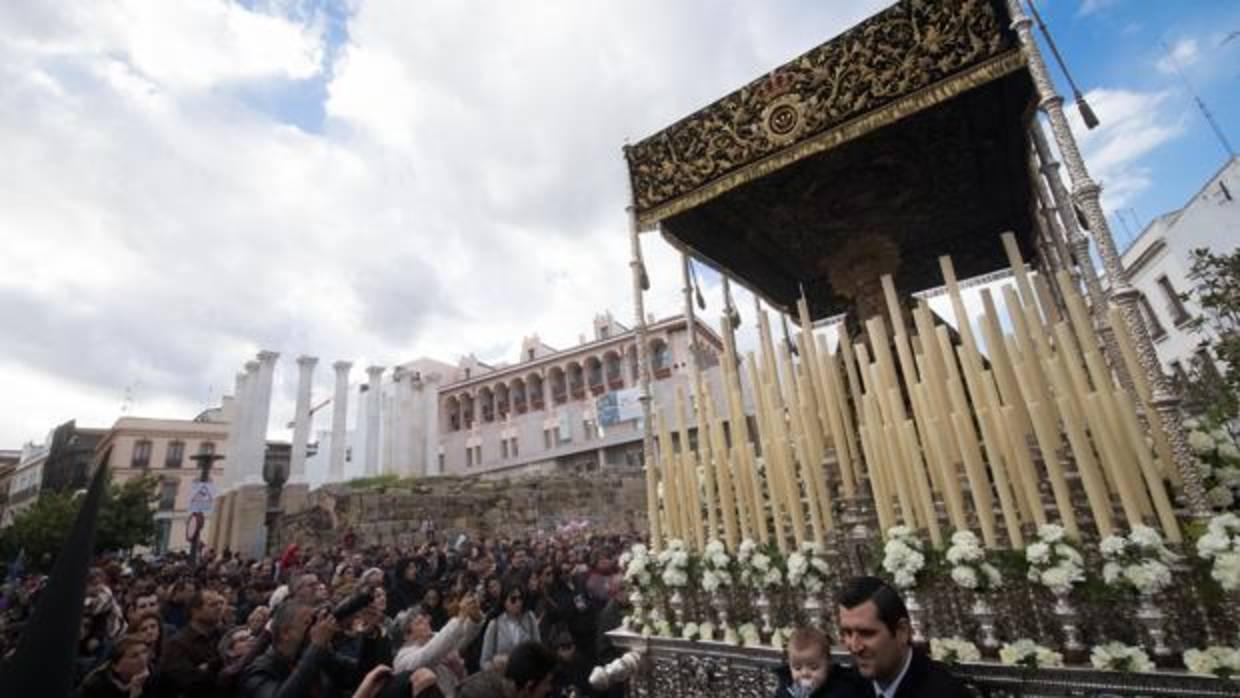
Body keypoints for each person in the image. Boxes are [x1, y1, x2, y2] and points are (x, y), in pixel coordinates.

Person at [836, 576, 970, 698]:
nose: (855, 646)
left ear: (902, 631)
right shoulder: (846, 686)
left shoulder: (945, 692)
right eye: (847, 632)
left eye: (867, 633)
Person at [239, 601, 355, 698]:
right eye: (307, 623)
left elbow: (356, 675)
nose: (314, 629)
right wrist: (316, 646)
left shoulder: (314, 656)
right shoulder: (259, 670)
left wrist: (369, 634)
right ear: (285, 633)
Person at [392, 594, 485, 697]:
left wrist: (474, 617)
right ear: (406, 635)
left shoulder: (435, 637)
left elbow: (462, 637)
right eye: (419, 623)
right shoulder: (402, 657)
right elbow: (428, 655)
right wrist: (461, 616)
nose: (426, 623)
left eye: (425, 619)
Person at [158, 589, 227, 698]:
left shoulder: (223, 635)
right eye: (213, 605)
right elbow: (189, 682)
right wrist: (215, 665)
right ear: (195, 611)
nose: (219, 608)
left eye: (220, 603)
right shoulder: (178, 644)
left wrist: (206, 667)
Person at [771, 626, 863, 698]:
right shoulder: (787, 690)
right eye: (797, 668)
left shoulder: (843, 689)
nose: (805, 673)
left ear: (828, 664)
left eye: (814, 668)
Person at [480, 584, 540, 670]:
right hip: (504, 676)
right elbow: (484, 661)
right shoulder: (495, 624)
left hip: (527, 674)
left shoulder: (529, 618)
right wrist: (496, 664)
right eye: (513, 599)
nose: (518, 603)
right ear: (504, 601)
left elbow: (538, 649)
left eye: (520, 598)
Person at [79, 637, 153, 698]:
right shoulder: (96, 686)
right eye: (134, 656)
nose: (143, 659)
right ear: (116, 667)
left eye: (144, 651)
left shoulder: (151, 673)